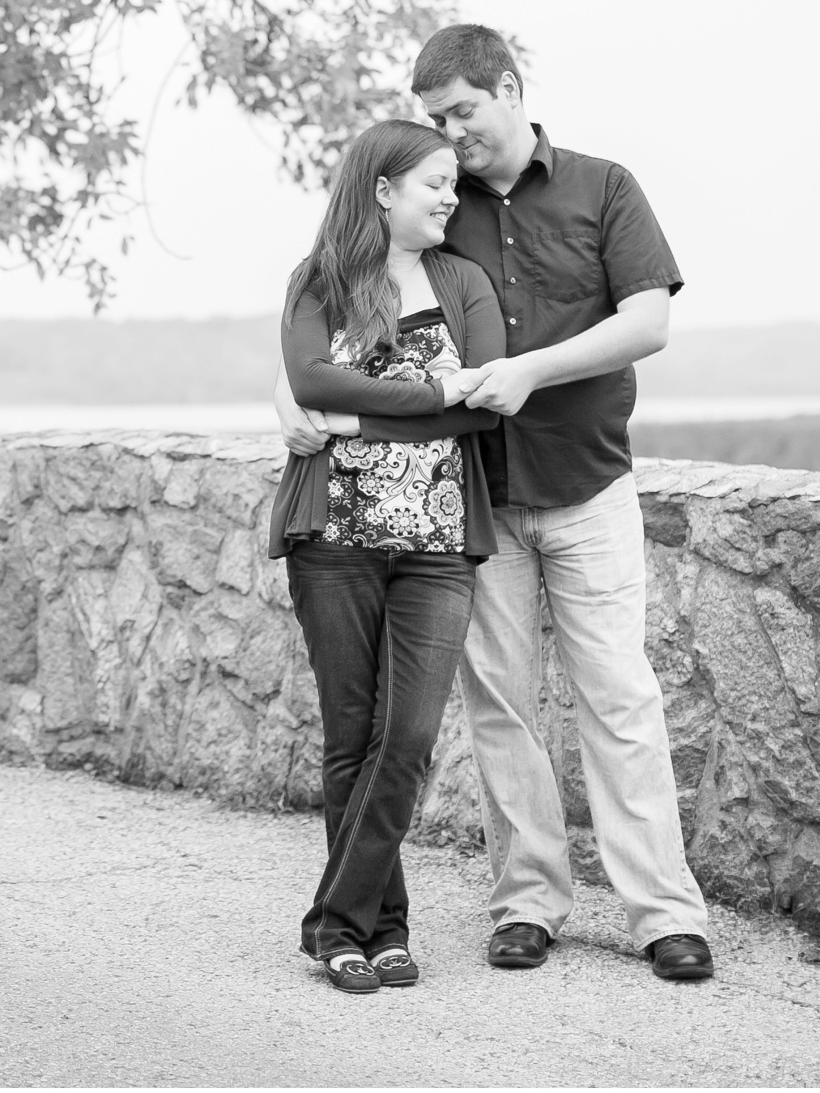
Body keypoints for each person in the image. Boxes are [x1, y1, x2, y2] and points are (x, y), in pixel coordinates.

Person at [276, 24, 715, 983]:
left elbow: (649, 322)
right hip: (476, 502)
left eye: (463, 112)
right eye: (437, 121)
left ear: (510, 89)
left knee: (620, 697)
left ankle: (664, 914)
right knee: (502, 711)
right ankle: (528, 904)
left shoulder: (604, 186)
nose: (452, 135)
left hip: (587, 481)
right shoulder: (437, 204)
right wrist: (288, 397)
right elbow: (340, 319)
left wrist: (529, 371)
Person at [266, 119, 506, 993]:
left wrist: (369, 417)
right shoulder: (321, 279)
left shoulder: (463, 280)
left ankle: (334, 919)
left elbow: (482, 407)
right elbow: (310, 381)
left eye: (453, 183)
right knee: (350, 737)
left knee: (406, 737)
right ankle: (380, 929)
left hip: (439, 544)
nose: (451, 197)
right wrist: (433, 391)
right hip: (334, 539)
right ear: (382, 189)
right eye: (435, 182)